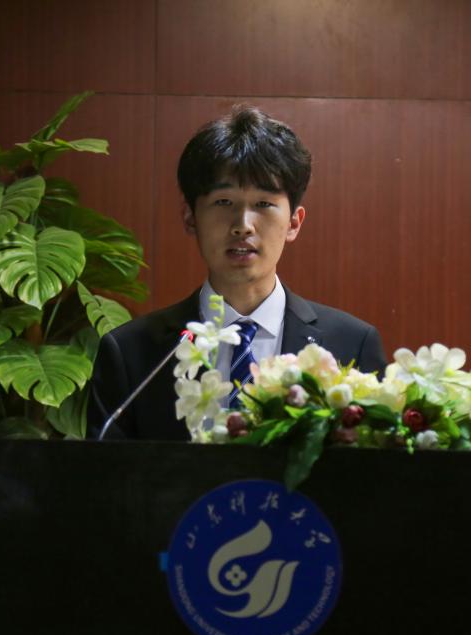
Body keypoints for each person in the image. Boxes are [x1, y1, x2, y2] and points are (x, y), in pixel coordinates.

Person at [89, 106, 386, 440]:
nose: (243, 226)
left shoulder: (350, 345)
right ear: (190, 217)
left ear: (293, 222)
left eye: (263, 204)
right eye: (223, 202)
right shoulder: (131, 353)